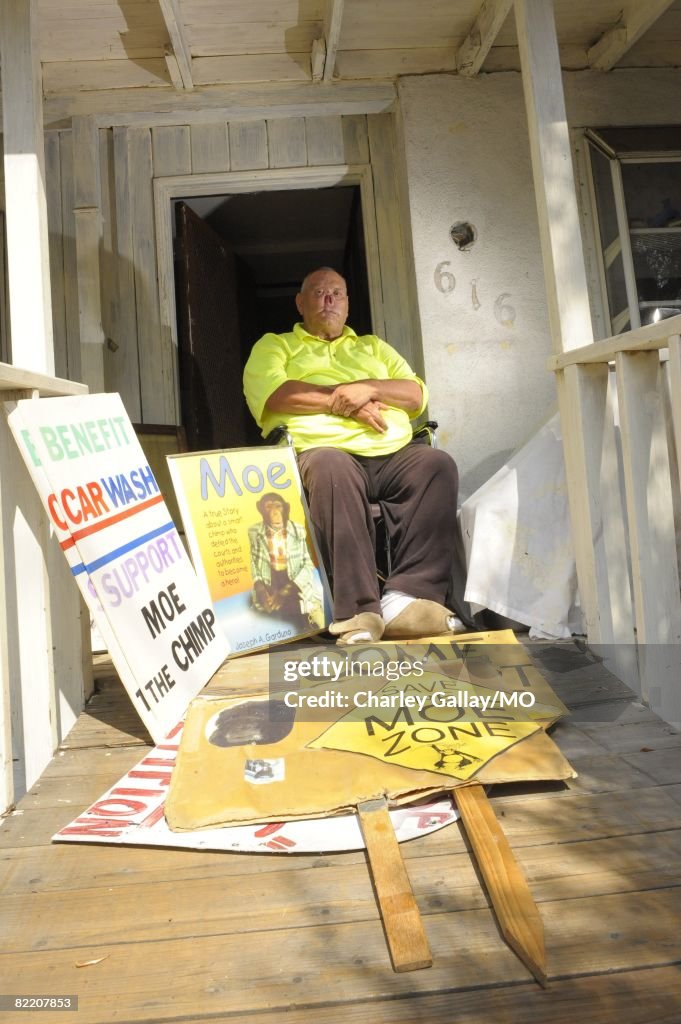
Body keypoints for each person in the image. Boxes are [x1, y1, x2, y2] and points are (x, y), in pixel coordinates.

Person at [243, 267, 463, 644]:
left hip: (391, 452)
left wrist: (367, 388)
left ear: (347, 305)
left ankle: (407, 598)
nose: (328, 300)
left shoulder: (374, 347)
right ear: (300, 303)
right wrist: (342, 401)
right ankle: (359, 611)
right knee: (332, 468)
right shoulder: (275, 345)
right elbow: (276, 395)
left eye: (337, 294)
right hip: (324, 452)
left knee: (436, 465)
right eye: (318, 293)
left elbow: (414, 394)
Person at [248, 492, 324, 629]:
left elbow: (308, 565)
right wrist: (259, 585)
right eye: (269, 507)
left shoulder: (298, 530)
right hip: (271, 578)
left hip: (293, 580)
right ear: (260, 509)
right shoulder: (254, 531)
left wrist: (285, 591)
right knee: (261, 609)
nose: (275, 513)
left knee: (310, 608)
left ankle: (305, 612)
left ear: (286, 508)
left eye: (278, 507)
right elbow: (254, 561)